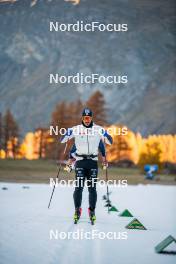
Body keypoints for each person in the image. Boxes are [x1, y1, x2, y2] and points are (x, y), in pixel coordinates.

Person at [61, 108, 113, 224]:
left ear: (91, 118)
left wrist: (106, 135)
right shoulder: (76, 129)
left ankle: (92, 211)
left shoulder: (98, 129)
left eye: (89, 118)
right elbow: (63, 140)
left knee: (92, 189)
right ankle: (77, 210)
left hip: (92, 162)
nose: (87, 120)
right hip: (80, 162)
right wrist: (67, 134)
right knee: (78, 188)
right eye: (85, 118)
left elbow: (109, 141)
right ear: (82, 118)